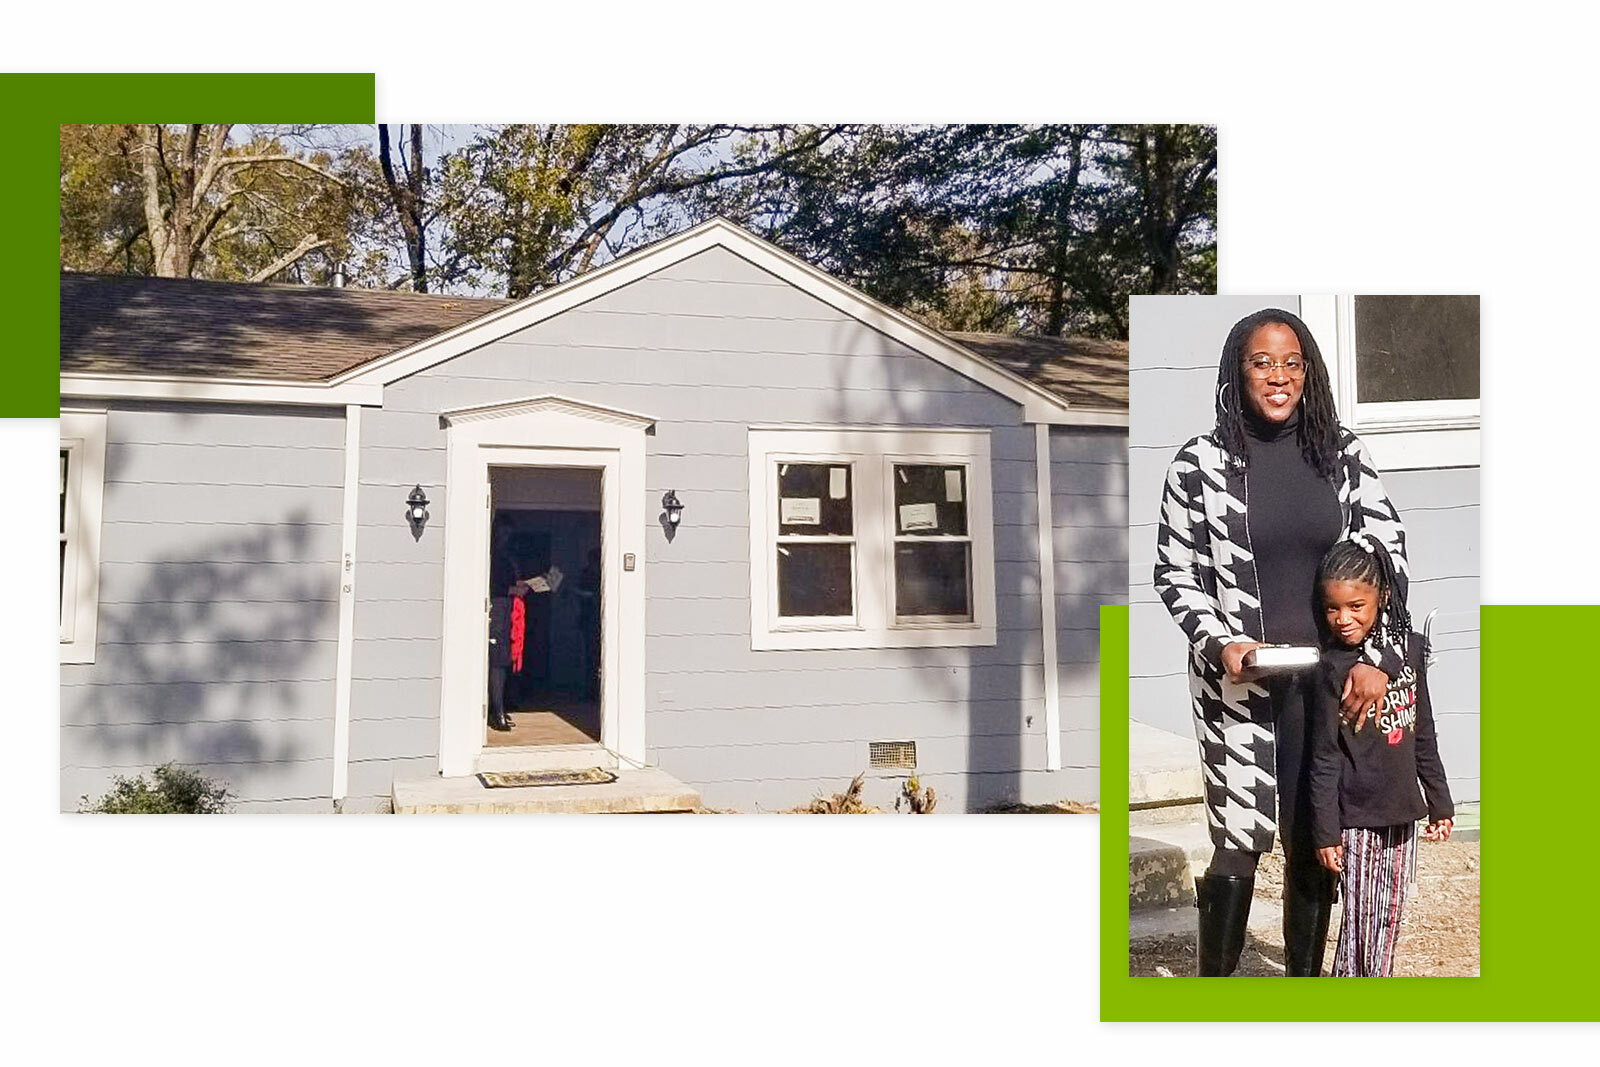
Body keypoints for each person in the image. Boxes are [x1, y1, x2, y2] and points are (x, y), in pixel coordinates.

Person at [1152, 308, 1409, 976]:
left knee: (1313, 836)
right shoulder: (1198, 466)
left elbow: (1389, 555)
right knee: (1238, 839)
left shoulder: (1343, 456)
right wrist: (1219, 643)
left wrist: (1377, 656)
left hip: (1329, 682)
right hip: (1239, 684)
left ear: (1310, 372)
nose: (1278, 375)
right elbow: (1174, 571)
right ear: (1238, 370)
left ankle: (1301, 993)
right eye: (1262, 361)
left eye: (1292, 362)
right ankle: (1217, 990)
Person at [1310, 536, 1453, 977]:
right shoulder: (1333, 668)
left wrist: (1440, 801)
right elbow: (1324, 756)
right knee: (1358, 924)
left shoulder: (1407, 652)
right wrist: (1325, 831)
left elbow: (1422, 730)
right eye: (1333, 608)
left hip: (1401, 812)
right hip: (1355, 818)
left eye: (1356, 606)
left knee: (1388, 919)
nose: (1343, 619)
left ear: (1383, 597)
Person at [486, 521, 555, 732]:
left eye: (509, 534)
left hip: (515, 610)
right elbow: (490, 584)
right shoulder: (491, 556)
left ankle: (503, 705)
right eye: (503, 533)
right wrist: (511, 589)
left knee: (508, 659)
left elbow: (549, 579)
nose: (506, 538)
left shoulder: (512, 557)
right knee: (497, 660)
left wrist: (525, 585)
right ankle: (496, 712)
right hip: (498, 611)